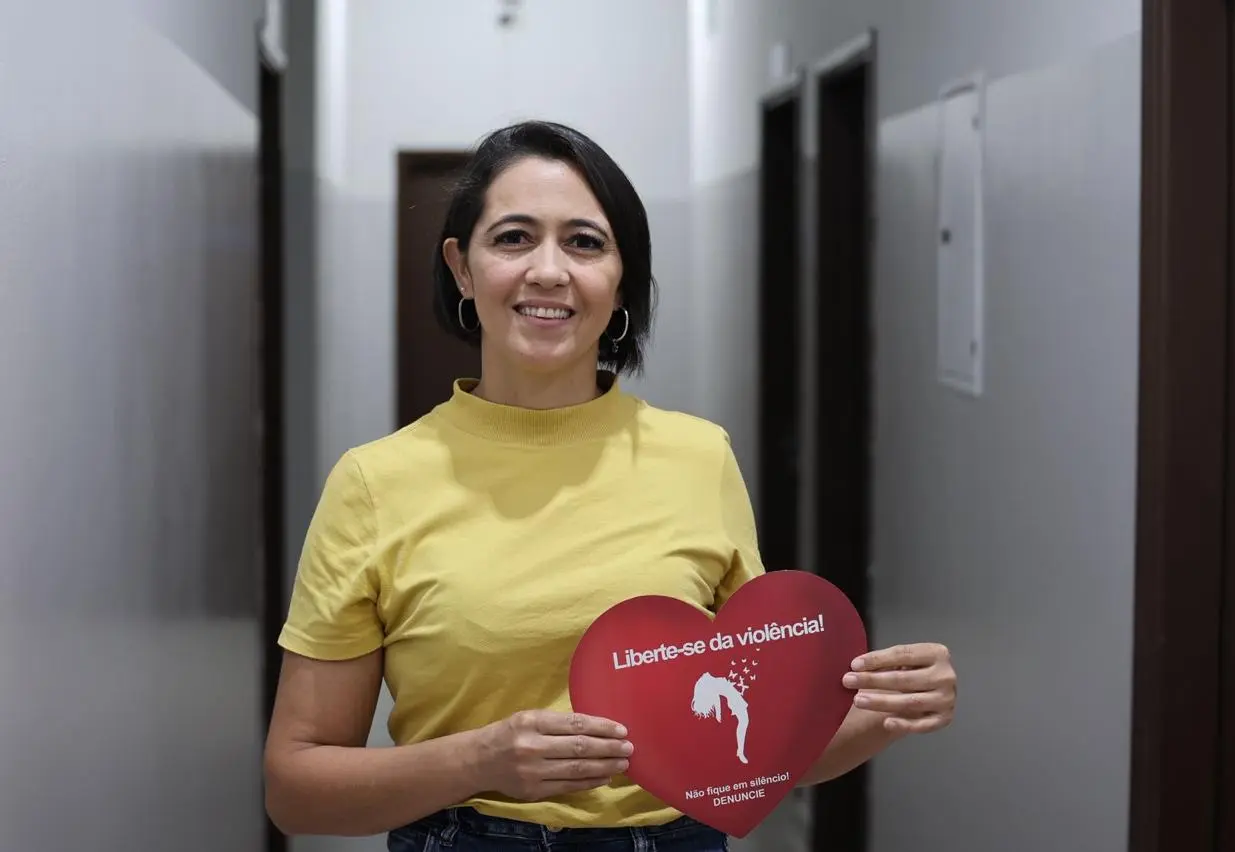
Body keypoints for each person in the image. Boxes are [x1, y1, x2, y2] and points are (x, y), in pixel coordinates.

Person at [263, 120, 958, 852]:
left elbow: (757, 751)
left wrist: (886, 711)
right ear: (462, 268)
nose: (549, 271)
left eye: (585, 242)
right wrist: (483, 759)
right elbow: (297, 788)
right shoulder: (374, 482)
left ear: (622, 276)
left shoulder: (699, 456)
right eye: (513, 238)